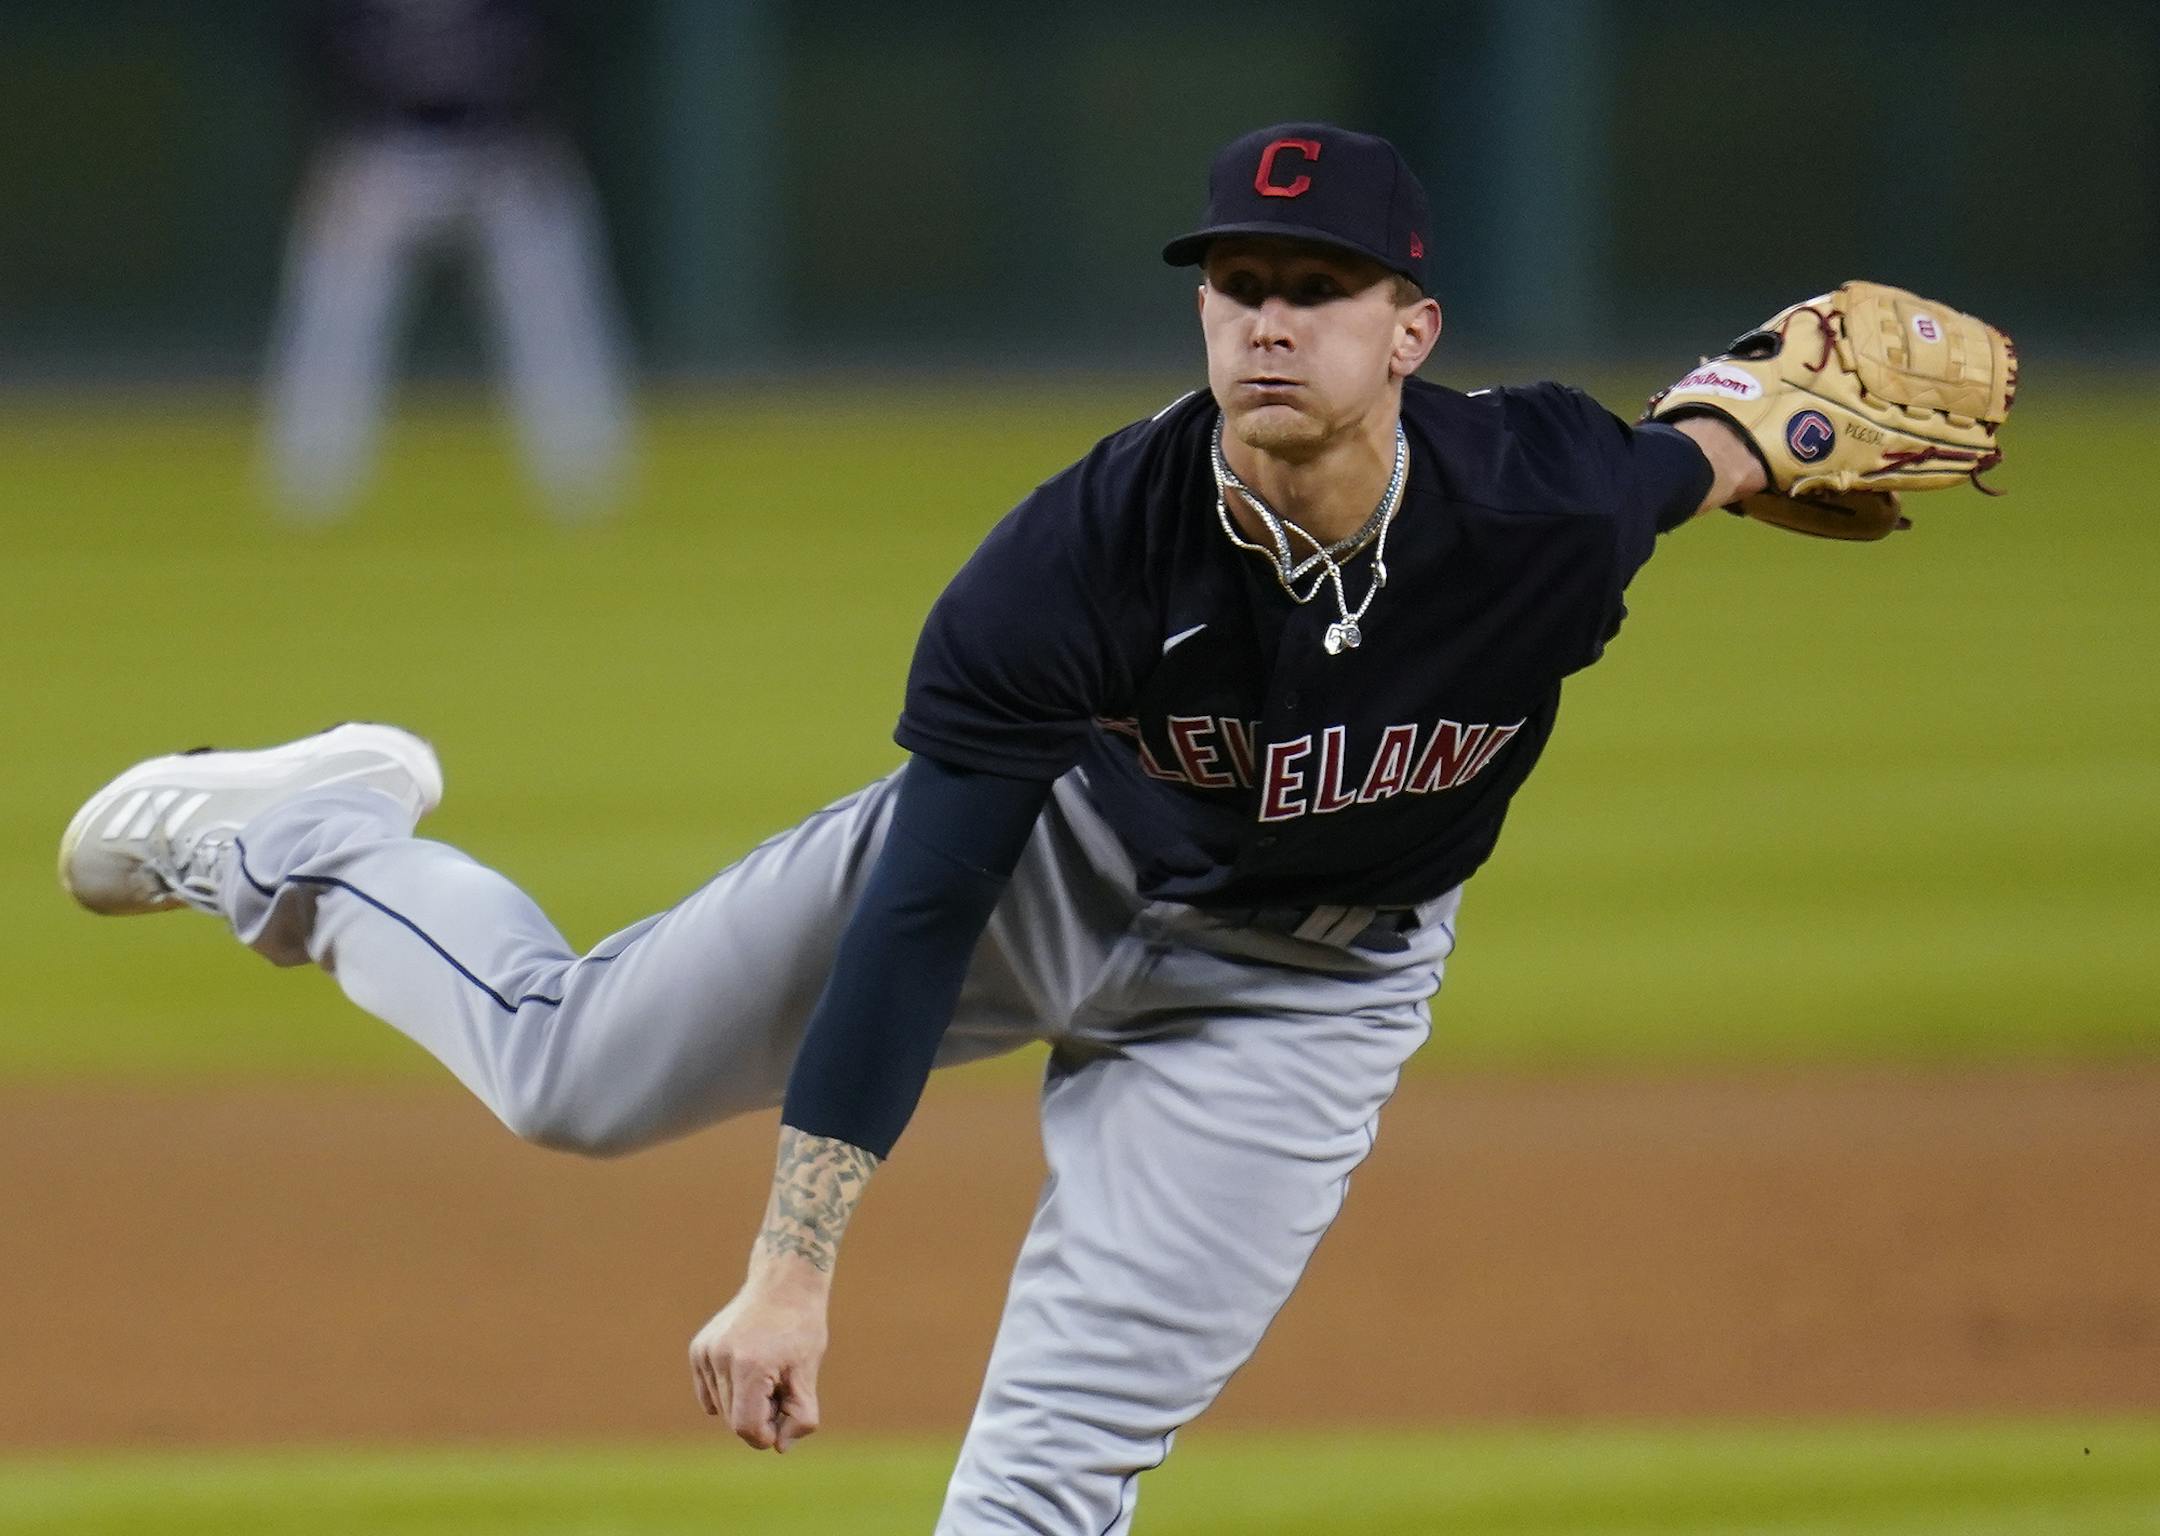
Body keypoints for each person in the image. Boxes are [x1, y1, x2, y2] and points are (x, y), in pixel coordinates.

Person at [66, 125, 1797, 1533]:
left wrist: (1757, 423)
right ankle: (314, 839)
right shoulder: (1075, 553)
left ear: (1410, 326)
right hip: (1050, 865)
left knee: (1045, 1482)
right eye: (1237, 288)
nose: (1268, 322)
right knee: (566, 1072)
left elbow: (1696, 456)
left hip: (1298, 1002)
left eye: (1319, 289)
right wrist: (791, 1266)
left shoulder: (1544, 508)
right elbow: (924, 895)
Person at [260, 0, 633, 522]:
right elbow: (312, 71)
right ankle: (311, 483)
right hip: (379, 156)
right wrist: (330, 150)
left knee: (555, 306)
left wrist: (547, 135)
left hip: (506, 154)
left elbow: (569, 62)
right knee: (336, 313)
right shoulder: (346, 14)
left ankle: (588, 476)